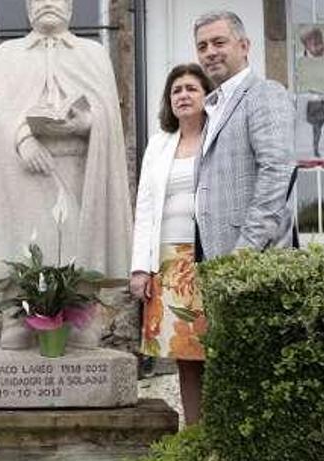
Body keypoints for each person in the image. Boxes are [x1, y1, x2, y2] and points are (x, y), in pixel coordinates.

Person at [0, 0, 132, 285]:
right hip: (23, 178)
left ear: (70, 6)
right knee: (21, 290)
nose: (48, 3)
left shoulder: (93, 54)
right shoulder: (7, 55)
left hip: (78, 173)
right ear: (28, 8)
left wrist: (88, 123)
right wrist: (23, 138)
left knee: (80, 298)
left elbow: (108, 114)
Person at [130, 64, 213, 425]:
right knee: (185, 353)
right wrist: (139, 267)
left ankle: (220, 435)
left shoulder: (219, 136)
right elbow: (145, 206)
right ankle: (194, 434)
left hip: (210, 258)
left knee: (218, 350)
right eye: (176, 90)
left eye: (191, 88)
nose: (183, 95)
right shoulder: (159, 144)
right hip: (169, 261)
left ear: (207, 95)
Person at [192, 10, 297, 260]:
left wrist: (244, 254)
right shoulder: (214, 107)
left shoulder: (264, 93)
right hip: (217, 262)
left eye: (219, 42)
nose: (210, 52)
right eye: (202, 46)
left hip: (253, 265)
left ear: (244, 46)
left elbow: (277, 173)